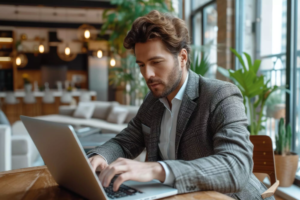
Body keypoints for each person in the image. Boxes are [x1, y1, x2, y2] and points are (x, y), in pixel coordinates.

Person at [88, 10, 274, 200]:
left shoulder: (220, 95)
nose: (147, 74)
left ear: (182, 57)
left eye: (156, 62)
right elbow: (124, 142)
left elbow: (237, 167)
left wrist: (158, 169)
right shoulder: (153, 101)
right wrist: (100, 157)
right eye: (141, 65)